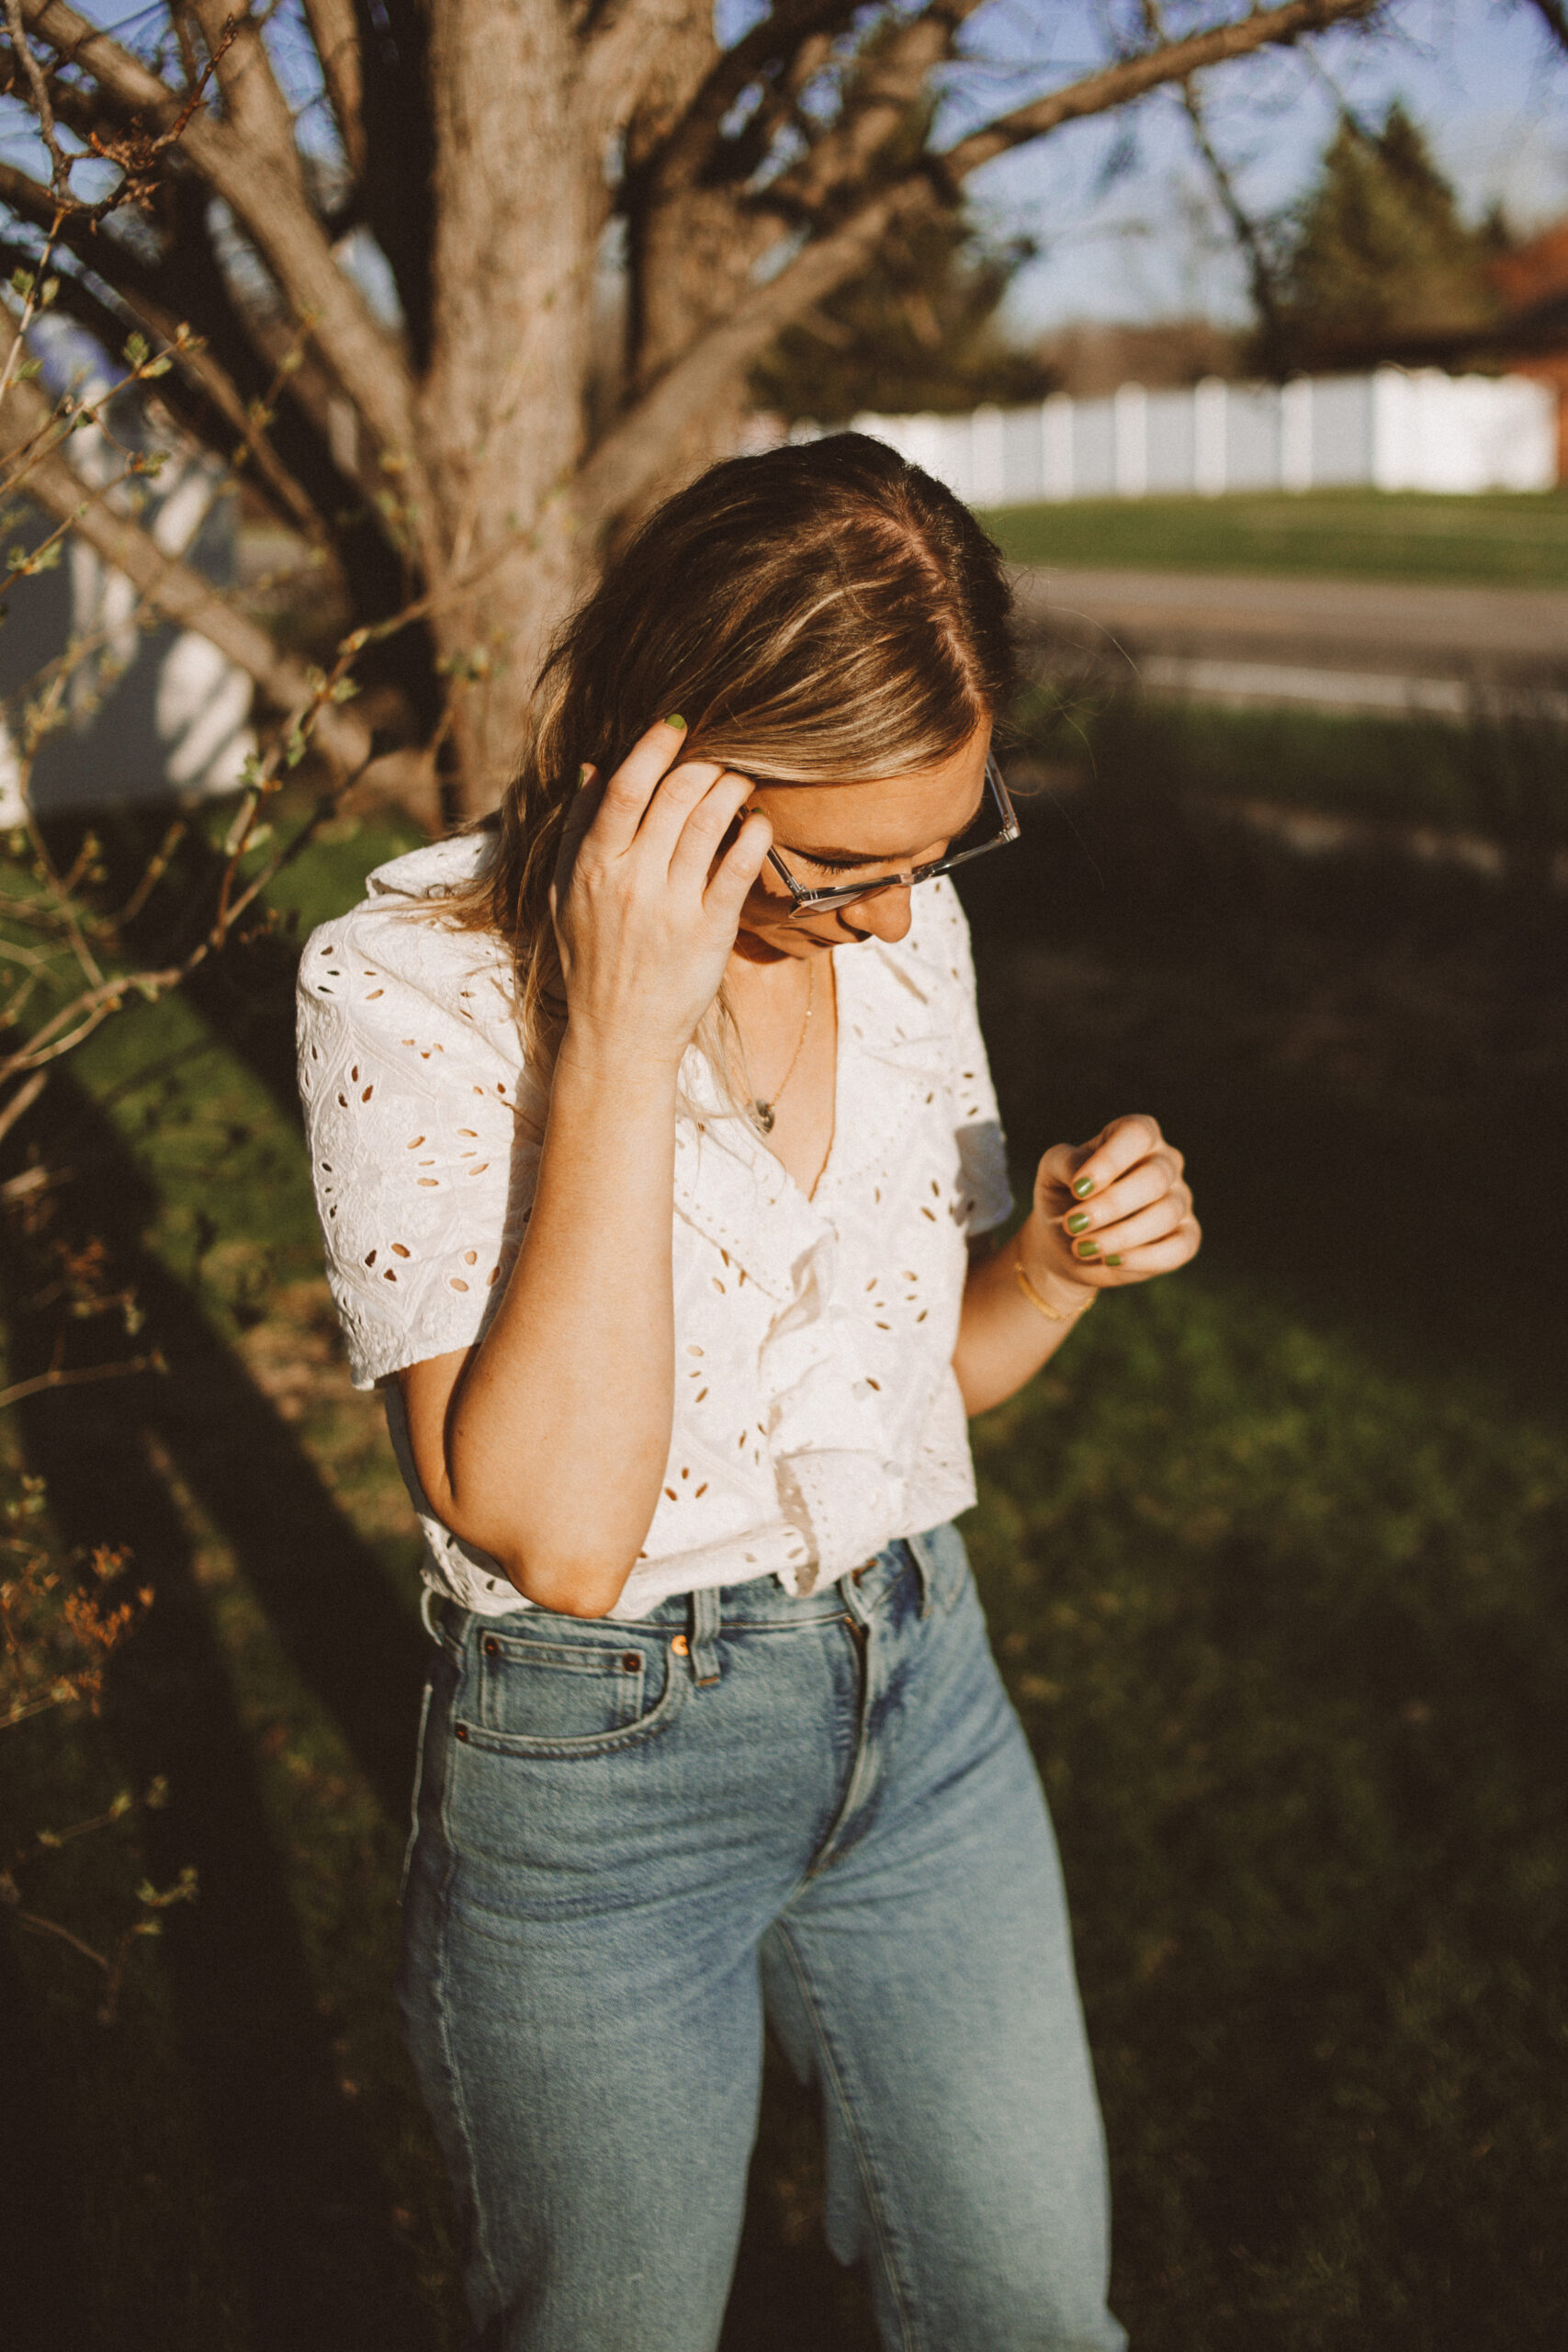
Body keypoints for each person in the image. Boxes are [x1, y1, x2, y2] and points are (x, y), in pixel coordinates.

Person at [298, 432, 1200, 2352]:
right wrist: (619, 1036)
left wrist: (1046, 1263)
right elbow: (552, 1525)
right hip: (598, 1777)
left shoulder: (903, 931)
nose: (892, 918)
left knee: (1033, 2311)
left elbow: (906, 1386)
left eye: (939, 849)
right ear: (659, 764)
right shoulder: (405, 986)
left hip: (921, 1692)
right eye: (846, 867)